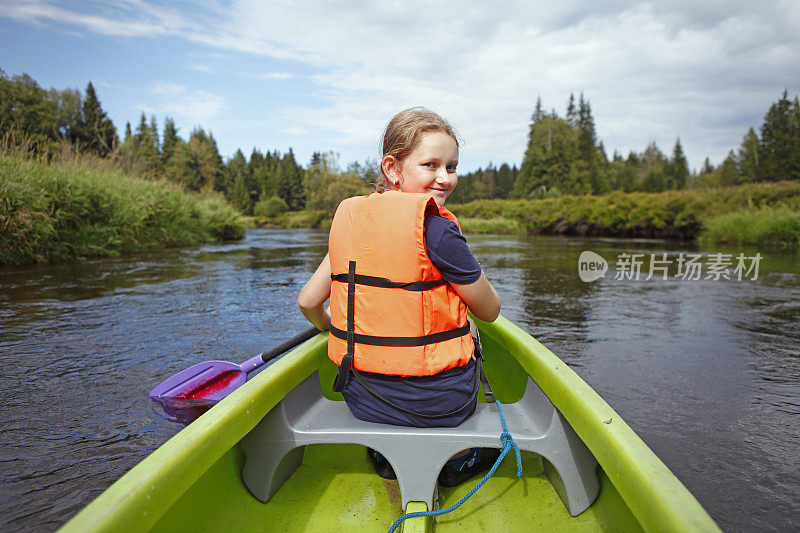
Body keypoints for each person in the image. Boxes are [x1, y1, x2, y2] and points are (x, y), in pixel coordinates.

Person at [297, 107, 501, 486]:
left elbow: (309, 301)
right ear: (393, 169)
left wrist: (336, 330)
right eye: (431, 165)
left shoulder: (354, 225)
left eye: (452, 167)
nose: (444, 179)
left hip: (363, 398)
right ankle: (460, 461)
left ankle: (384, 453)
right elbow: (491, 311)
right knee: (470, 332)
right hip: (441, 405)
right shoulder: (439, 230)